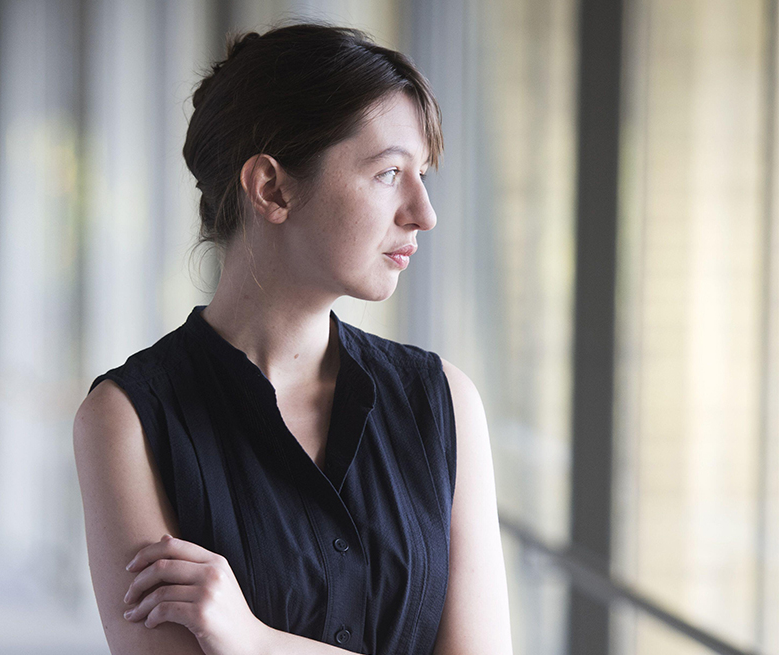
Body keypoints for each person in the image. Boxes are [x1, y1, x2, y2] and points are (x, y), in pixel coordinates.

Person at [73, 23, 512, 655]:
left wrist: (253, 642)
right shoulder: (126, 420)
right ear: (272, 188)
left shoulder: (440, 399)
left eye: (423, 174)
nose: (424, 212)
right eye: (390, 172)